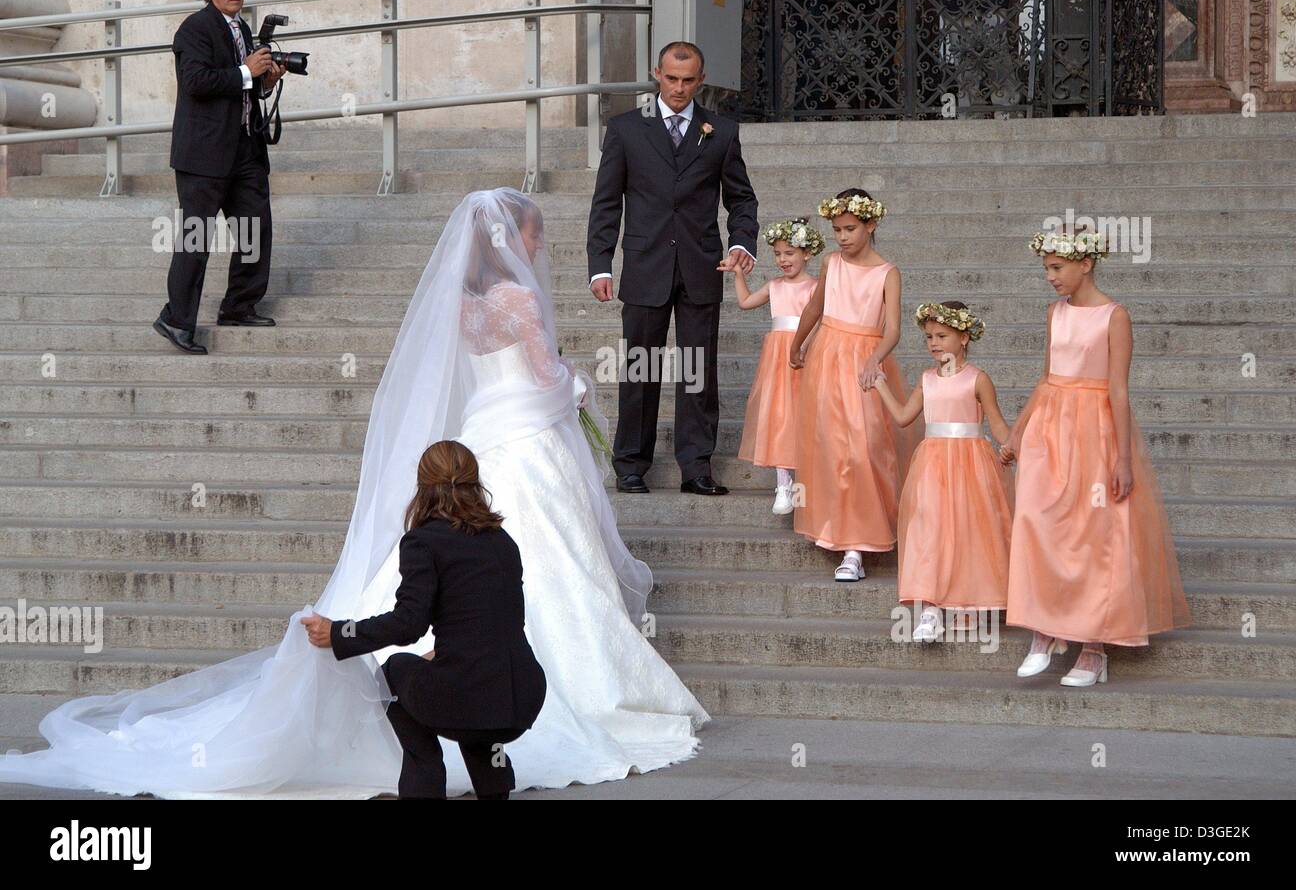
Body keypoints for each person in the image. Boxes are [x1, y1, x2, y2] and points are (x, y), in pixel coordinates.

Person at [0, 189, 707, 798]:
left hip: (487, 430)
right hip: (528, 434)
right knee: (554, 553)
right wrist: (576, 386)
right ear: (513, 239)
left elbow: (471, 375)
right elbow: (542, 375)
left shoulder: (462, 302)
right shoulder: (519, 297)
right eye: (535, 233)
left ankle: (405, 671)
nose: (539, 242)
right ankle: (555, 695)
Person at [303, 441, 547, 800]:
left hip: (475, 696)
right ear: (474, 482)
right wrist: (449, 652)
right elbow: (500, 622)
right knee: (470, 695)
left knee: (395, 672)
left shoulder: (424, 541)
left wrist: (340, 633)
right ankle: (494, 785)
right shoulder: (502, 541)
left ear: (423, 486)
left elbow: (408, 624)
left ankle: (426, 780)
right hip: (524, 695)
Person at [1001, 230, 1191, 686]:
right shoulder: (1054, 314)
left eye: (1056, 268)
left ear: (1086, 264)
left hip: (1095, 430)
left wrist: (1123, 458)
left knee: (1094, 530)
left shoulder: (1114, 316)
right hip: (1050, 429)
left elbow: (1119, 390)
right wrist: (1017, 430)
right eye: (1046, 268)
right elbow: (1046, 378)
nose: (1050, 277)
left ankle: (1092, 648)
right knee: (1037, 521)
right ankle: (1044, 631)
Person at [586, 40, 759, 496]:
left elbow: (741, 199)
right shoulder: (626, 129)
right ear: (656, 75)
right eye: (672, 78)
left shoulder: (720, 131)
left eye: (688, 80)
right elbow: (606, 202)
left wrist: (743, 242)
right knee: (639, 368)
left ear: (701, 80)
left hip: (702, 264)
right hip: (645, 265)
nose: (680, 88)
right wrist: (600, 265)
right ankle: (630, 464)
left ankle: (696, 465)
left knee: (697, 370)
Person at [154, 0, 285, 355]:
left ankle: (239, 307)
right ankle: (176, 320)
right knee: (197, 238)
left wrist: (264, 82)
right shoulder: (195, 28)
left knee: (254, 229)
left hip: (244, 148)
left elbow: (242, 86)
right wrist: (246, 71)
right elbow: (195, 83)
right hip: (203, 154)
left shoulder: (242, 27)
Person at [788, 190, 917, 582]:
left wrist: (874, 359)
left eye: (850, 229)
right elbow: (815, 307)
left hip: (865, 362)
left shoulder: (887, 272)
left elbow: (892, 328)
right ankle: (841, 535)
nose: (842, 237)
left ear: (870, 225)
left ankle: (859, 542)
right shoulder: (831, 263)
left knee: (864, 447)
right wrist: (797, 343)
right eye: (836, 230)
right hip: (828, 356)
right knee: (830, 445)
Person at [871, 301, 1014, 640]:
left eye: (942, 336)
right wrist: (879, 384)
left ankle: (968, 600)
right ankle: (930, 607)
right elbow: (905, 416)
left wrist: (1013, 446)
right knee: (929, 527)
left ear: (963, 337)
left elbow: (997, 424)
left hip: (971, 462)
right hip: (932, 463)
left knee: (968, 528)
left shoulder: (978, 380)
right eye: (928, 337)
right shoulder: (926, 380)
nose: (933, 343)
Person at [732, 218, 823, 515]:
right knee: (780, 413)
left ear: (807, 253)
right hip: (777, 356)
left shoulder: (815, 286)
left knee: (805, 412)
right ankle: (783, 482)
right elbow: (745, 302)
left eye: (790, 253)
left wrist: (807, 346)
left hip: (805, 352)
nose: (783, 260)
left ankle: (809, 483)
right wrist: (737, 274)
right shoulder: (775, 286)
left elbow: (821, 320)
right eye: (779, 254)